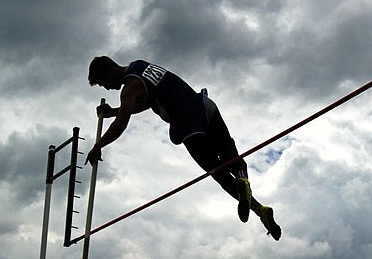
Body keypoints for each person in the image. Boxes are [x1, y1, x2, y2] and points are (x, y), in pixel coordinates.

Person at [85, 56, 281, 240]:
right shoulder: (139, 66)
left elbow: (122, 123)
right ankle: (257, 205)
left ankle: (249, 197)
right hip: (204, 105)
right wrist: (114, 111)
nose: (107, 89)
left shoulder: (129, 88)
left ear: (109, 71)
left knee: (217, 170)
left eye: (104, 84)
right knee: (230, 154)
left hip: (188, 123)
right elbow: (149, 99)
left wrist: (98, 145)